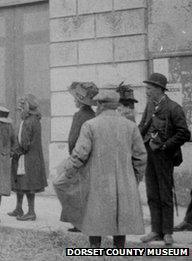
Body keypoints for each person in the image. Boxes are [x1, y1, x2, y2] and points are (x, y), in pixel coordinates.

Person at [64, 90, 147, 248]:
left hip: (97, 180)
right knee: (120, 217)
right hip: (123, 181)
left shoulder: (90, 125)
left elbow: (80, 153)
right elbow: (141, 156)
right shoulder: (130, 126)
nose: (96, 107)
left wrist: (69, 170)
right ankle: (119, 251)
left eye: (98, 104)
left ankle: (95, 250)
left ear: (101, 105)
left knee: (95, 217)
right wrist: (135, 177)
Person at [139, 73, 191, 246]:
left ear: (159, 89)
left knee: (165, 194)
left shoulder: (173, 108)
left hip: (164, 156)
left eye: (149, 88)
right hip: (149, 154)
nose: (146, 92)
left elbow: (184, 133)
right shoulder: (149, 106)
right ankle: (155, 231)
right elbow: (142, 126)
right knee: (152, 193)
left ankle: (167, 232)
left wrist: (165, 146)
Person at [56, 82, 98, 232]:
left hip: (78, 158)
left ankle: (77, 222)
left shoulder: (79, 115)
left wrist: (72, 156)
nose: (74, 101)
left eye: (75, 99)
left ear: (80, 101)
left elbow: (72, 140)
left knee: (69, 188)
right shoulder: (93, 115)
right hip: (90, 158)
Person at [8, 94, 47, 221]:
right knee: (21, 183)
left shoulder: (28, 122)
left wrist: (14, 152)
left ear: (27, 107)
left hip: (26, 157)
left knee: (28, 185)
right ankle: (19, 208)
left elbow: (24, 143)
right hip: (32, 157)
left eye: (21, 107)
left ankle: (31, 212)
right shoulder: (34, 120)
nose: (19, 110)